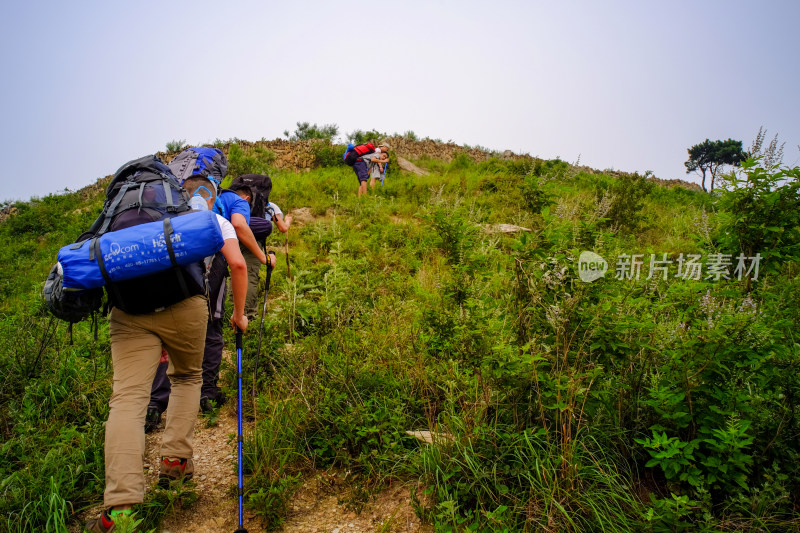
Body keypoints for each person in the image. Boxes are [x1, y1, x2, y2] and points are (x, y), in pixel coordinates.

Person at [86, 178, 248, 532]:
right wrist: (238, 314)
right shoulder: (211, 219)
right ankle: (175, 463)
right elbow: (237, 264)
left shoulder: (123, 218)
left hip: (129, 310)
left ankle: (120, 509)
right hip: (186, 305)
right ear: (208, 195)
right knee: (187, 377)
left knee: (128, 399)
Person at [144, 177, 271, 429]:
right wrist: (239, 314)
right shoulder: (230, 205)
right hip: (212, 268)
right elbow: (237, 259)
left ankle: (155, 403)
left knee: (168, 334)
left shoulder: (172, 211)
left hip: (171, 274)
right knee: (212, 326)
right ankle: (207, 393)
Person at [230, 184, 290, 320]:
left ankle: (236, 309)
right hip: (253, 240)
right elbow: (282, 228)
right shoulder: (270, 206)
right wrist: (288, 221)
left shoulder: (232, 203)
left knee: (235, 271)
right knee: (250, 275)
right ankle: (246, 315)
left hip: (233, 238)